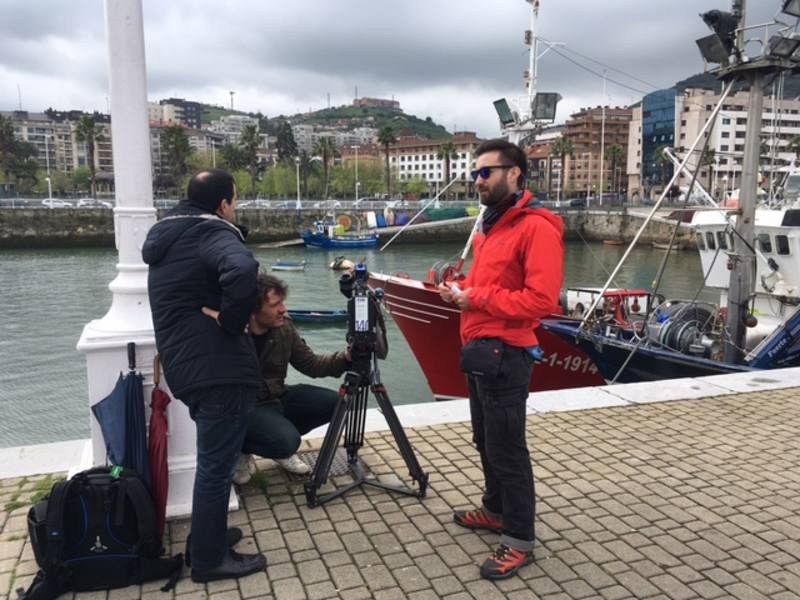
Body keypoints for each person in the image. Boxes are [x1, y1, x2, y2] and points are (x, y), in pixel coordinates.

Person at [438, 139, 564, 580]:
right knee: (485, 440)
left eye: (487, 171)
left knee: (508, 448)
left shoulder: (536, 227)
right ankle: (494, 510)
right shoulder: (492, 227)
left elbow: (541, 300)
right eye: (476, 172)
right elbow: (484, 283)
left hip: (507, 355)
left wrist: (477, 296)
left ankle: (518, 539)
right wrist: (460, 291)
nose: (478, 180)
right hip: (479, 350)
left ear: (515, 174)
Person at [142, 169, 266, 583]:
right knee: (217, 465)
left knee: (212, 461)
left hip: (188, 368)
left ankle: (205, 540)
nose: (236, 209)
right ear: (222, 204)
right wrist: (232, 321)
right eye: (235, 201)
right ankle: (210, 561)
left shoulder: (169, 236)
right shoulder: (212, 232)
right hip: (219, 369)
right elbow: (242, 269)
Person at [233, 272, 349, 484]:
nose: (283, 309)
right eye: (275, 305)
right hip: (245, 408)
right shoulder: (232, 337)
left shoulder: (284, 327)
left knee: (337, 403)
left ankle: (276, 440)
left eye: (282, 303)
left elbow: (312, 364)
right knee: (287, 441)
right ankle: (243, 450)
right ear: (253, 309)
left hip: (276, 397)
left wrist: (346, 357)